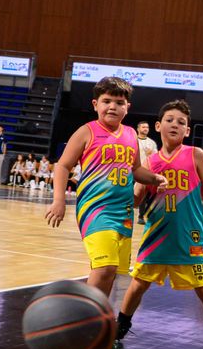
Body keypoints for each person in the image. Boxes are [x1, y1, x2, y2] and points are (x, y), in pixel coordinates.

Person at [115, 100, 203, 349]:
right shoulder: (148, 162)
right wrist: (123, 188)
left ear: (187, 131)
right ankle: (119, 330)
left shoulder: (196, 155)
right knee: (138, 284)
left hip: (191, 237)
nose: (175, 124)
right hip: (156, 236)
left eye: (181, 122)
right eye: (170, 119)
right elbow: (137, 200)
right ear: (159, 126)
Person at [45, 77, 162, 309]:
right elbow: (62, 165)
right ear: (95, 104)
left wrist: (155, 178)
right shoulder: (86, 131)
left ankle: (97, 318)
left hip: (124, 212)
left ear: (127, 107)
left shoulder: (130, 134)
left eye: (119, 102)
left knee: (111, 273)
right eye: (106, 101)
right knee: (105, 268)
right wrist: (59, 199)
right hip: (96, 210)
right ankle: (83, 319)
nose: (112, 107)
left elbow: (136, 169)